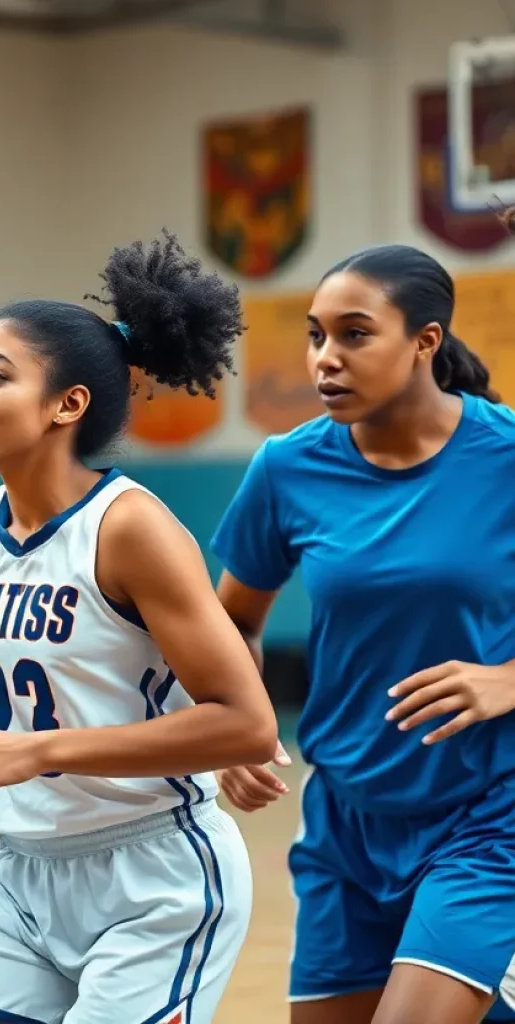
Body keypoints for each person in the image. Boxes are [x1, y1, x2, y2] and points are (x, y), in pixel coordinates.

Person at [0, 230, 279, 1024]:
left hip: (154, 877)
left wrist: (36, 749)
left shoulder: (129, 529)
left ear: (67, 404)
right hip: (20, 875)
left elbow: (249, 722)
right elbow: (2, 680)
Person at [211, 241, 515, 1024]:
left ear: (426, 341)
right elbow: (231, 624)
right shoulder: (286, 469)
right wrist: (239, 731)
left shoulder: (505, 457)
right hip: (345, 820)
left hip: (487, 812)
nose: (324, 359)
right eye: (315, 335)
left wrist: (506, 679)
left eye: (354, 334)